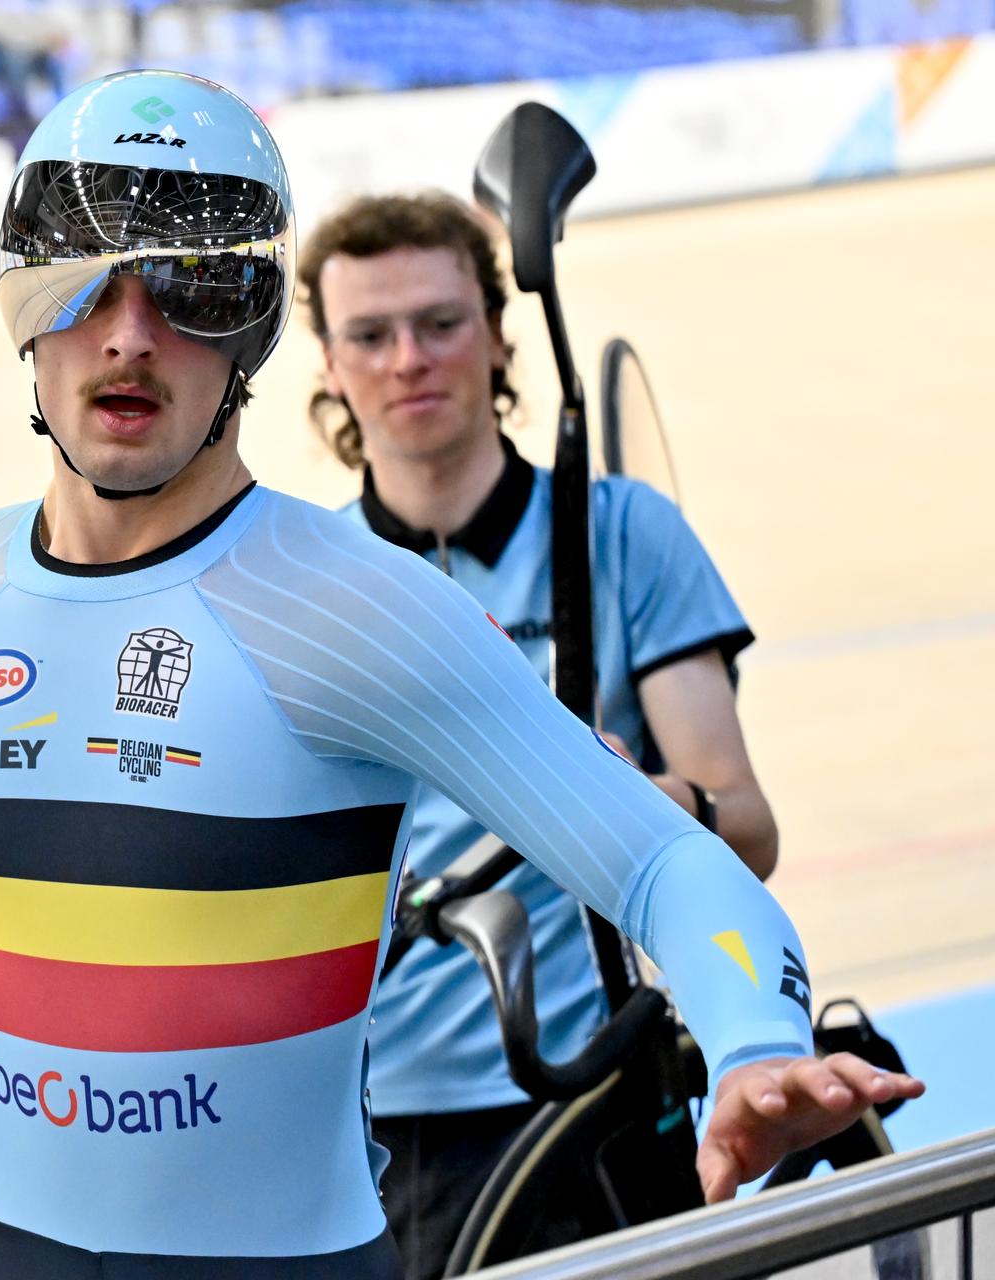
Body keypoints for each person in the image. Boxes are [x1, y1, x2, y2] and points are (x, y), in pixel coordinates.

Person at [0, 70, 920, 1280]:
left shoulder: (358, 608)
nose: (129, 332)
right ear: (23, 299)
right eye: (90, 277)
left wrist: (754, 1039)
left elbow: (661, 856)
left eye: (191, 287)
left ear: (256, 326)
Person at [298, 191, 784, 1277]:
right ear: (328, 362)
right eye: (370, 335)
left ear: (499, 331)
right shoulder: (305, 587)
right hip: (375, 1131)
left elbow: (746, 828)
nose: (408, 358)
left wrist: (662, 807)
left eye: (440, 321)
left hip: (599, 1096)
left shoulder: (626, 535)